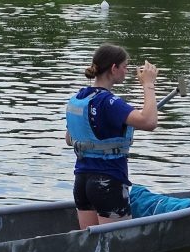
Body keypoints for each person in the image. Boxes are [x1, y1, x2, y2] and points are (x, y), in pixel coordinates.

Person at [65, 44, 159, 229]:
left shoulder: (79, 98)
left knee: (90, 244)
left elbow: (70, 139)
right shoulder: (109, 102)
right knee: (119, 244)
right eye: (125, 66)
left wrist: (110, 135)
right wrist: (148, 85)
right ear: (113, 68)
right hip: (107, 181)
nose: (127, 71)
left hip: (82, 182)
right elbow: (149, 122)